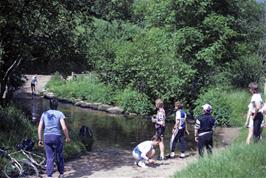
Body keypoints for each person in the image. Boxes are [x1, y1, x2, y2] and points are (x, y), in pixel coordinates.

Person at [38, 98, 71, 178]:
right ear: (57, 105)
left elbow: (39, 127)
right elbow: (64, 127)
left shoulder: (44, 114)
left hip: (47, 137)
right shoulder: (60, 114)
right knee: (59, 155)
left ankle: (49, 176)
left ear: (50, 105)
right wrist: (67, 137)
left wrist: (40, 139)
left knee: (49, 158)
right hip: (57, 137)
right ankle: (61, 174)